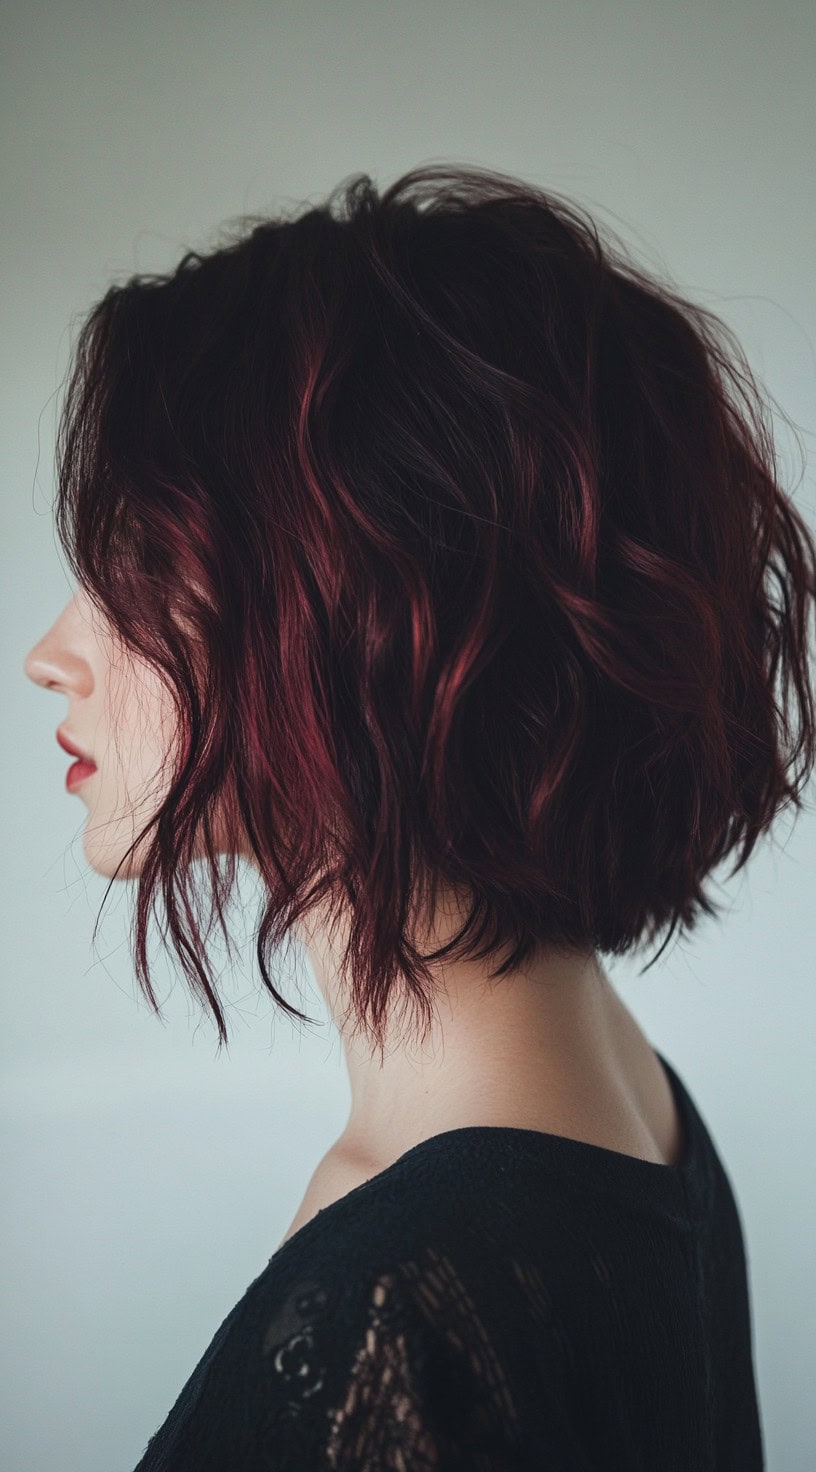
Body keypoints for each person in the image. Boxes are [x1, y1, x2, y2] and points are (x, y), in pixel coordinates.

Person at [25, 161, 813, 1468]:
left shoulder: (390, 1313)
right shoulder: (622, 1105)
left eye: (142, 567)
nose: (54, 652)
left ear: (370, 616)